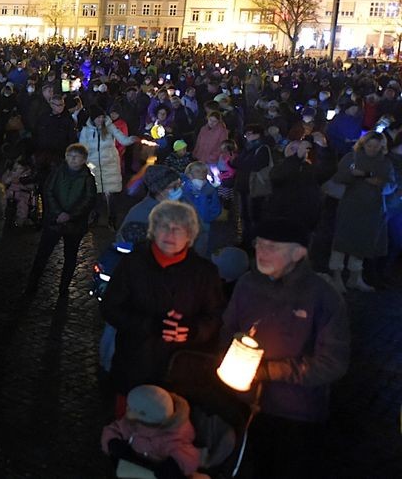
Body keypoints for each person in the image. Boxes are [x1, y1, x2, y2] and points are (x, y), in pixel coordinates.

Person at [222, 217, 350, 479]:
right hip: (244, 404)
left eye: (274, 247)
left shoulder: (323, 296)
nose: (263, 253)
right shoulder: (247, 284)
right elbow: (227, 329)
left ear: (299, 252)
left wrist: (269, 371)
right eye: (259, 245)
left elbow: (333, 362)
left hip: (296, 413)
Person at [101, 201, 225, 409]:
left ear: (190, 235)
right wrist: (148, 325)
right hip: (134, 367)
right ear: (153, 230)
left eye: (179, 228)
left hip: (181, 374)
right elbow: (110, 308)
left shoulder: (205, 272)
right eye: (164, 226)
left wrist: (192, 330)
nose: (170, 233)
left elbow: (216, 316)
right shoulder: (132, 265)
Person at [329, 131, 394, 293]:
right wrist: (359, 177)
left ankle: (355, 277)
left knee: (363, 241)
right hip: (351, 205)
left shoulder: (384, 162)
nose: (372, 149)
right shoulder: (352, 158)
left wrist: (365, 175)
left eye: (376, 147)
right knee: (343, 240)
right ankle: (336, 276)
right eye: (369, 146)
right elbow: (340, 177)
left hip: (372, 208)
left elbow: (388, 184)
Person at [30, 144, 97, 294]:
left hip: (75, 225)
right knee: (42, 254)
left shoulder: (88, 178)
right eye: (69, 156)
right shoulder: (57, 172)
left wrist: (70, 215)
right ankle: (32, 284)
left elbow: (88, 199)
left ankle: (64, 288)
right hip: (54, 220)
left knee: (70, 255)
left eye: (76, 156)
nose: (72, 160)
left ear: (83, 159)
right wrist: (58, 212)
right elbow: (48, 191)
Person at [100, 384, 200, 478]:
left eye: (131, 408)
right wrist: (112, 442)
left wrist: (175, 465)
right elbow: (114, 429)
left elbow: (189, 458)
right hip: (134, 464)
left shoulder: (173, 436)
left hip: (154, 471)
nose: (127, 409)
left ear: (144, 415)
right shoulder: (132, 422)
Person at [79, 105, 136, 227]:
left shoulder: (110, 128)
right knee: (96, 194)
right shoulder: (86, 131)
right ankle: (96, 215)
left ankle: (112, 218)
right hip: (94, 166)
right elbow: (82, 148)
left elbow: (123, 139)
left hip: (110, 165)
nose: (101, 120)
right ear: (93, 118)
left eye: (102, 117)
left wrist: (132, 139)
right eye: (98, 117)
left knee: (112, 194)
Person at [180, 161, 222, 256]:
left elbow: (216, 207)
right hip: (186, 225)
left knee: (201, 250)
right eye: (198, 171)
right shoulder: (183, 189)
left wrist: (207, 218)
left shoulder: (210, 189)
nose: (202, 173)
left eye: (204, 171)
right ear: (189, 174)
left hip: (204, 224)